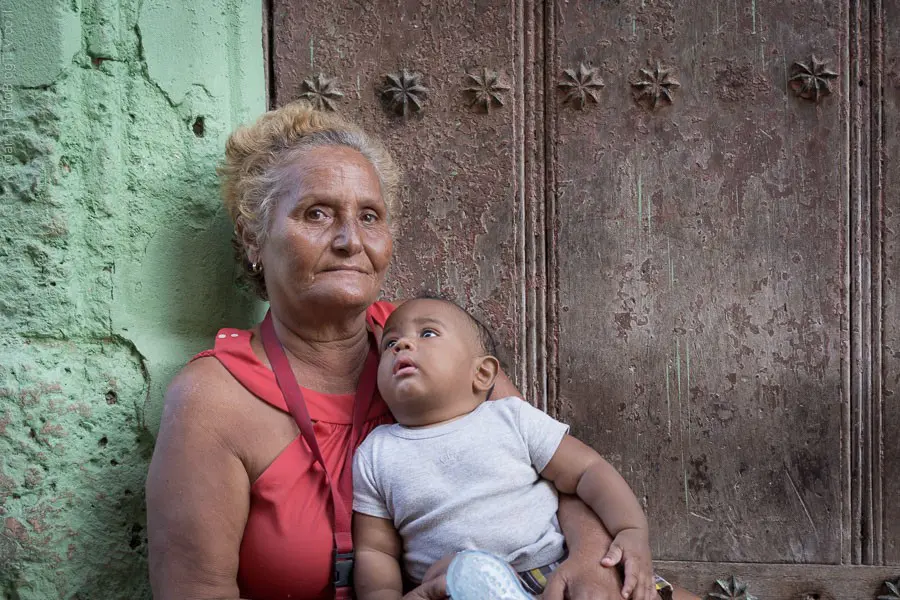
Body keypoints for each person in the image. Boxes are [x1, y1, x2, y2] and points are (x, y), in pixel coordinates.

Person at [145, 101, 696, 600]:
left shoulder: (433, 346)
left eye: (369, 216)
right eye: (316, 213)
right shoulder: (213, 400)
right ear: (252, 237)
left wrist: (592, 559)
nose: (349, 240)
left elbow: (548, 471)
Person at [352, 297, 672, 600]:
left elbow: (588, 470)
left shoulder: (510, 418)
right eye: (390, 343)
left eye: (428, 333)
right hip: (456, 587)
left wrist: (630, 528)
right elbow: (375, 550)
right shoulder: (376, 453)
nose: (402, 346)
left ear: (482, 373)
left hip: (552, 570)